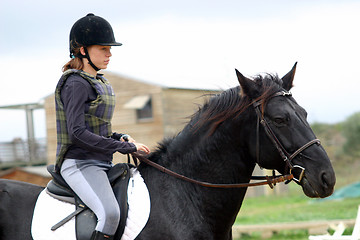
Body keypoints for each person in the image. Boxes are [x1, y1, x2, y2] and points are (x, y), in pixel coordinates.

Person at [54, 13, 150, 240]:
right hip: (80, 163)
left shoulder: (99, 81)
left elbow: (98, 130)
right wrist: (122, 147)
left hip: (101, 161)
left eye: (110, 48)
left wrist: (121, 138)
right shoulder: (75, 83)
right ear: (83, 50)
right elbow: (77, 133)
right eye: (103, 48)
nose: (109, 54)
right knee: (110, 214)